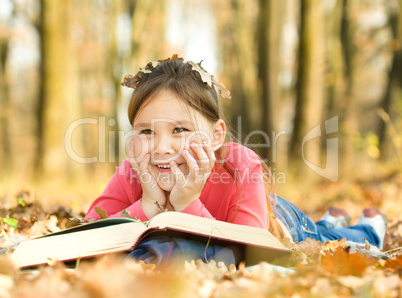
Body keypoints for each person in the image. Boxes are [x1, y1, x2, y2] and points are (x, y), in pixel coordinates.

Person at [85, 55, 387, 265]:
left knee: (323, 239)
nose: (162, 147)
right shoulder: (135, 168)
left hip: (277, 220)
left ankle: (368, 229)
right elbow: (86, 233)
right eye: (147, 131)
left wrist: (188, 203)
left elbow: (250, 253)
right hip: (240, 218)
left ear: (216, 136)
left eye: (180, 129)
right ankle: (331, 219)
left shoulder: (241, 164)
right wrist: (148, 205)